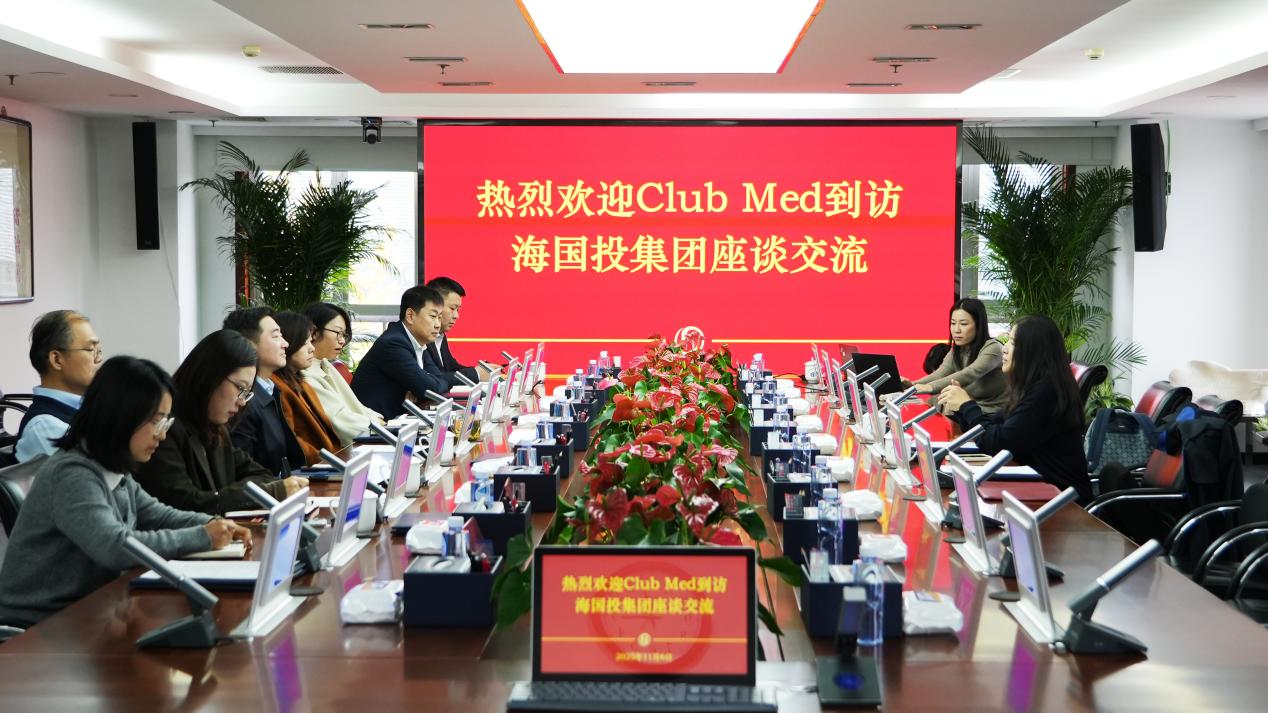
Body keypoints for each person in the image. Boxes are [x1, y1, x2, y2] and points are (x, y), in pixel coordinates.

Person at [0, 357, 252, 629]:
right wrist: (202, 536)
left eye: (166, 423)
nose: (162, 435)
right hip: (37, 630)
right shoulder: (72, 474)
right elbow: (114, 546)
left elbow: (158, 515)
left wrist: (213, 523)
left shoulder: (111, 467)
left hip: (89, 612)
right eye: (157, 422)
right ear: (122, 417)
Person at [135, 330, 308, 514]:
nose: (242, 402)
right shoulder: (163, 431)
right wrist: (262, 493)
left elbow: (262, 475)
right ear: (209, 376)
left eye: (247, 393)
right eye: (240, 388)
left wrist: (221, 497)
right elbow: (185, 504)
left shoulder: (215, 430)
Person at [937, 314, 1094, 503]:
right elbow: (994, 426)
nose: (1004, 349)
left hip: (1062, 502)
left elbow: (998, 443)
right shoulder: (1031, 387)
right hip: (1037, 491)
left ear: (1032, 351)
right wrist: (961, 408)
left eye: (1012, 342)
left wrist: (966, 405)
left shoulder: (1046, 392)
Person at [223, 307, 305, 476]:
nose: (285, 344)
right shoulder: (242, 401)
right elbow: (241, 473)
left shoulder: (269, 390)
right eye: (276, 336)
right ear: (247, 344)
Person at [14, 310, 102, 462]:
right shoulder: (45, 427)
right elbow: (94, 474)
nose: (99, 359)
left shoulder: (88, 409)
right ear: (56, 359)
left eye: (98, 350)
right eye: (90, 350)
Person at [351, 286, 450, 420]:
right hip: (376, 425)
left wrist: (424, 387)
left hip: (397, 420)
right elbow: (430, 389)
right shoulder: (393, 344)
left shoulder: (418, 342)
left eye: (439, 317)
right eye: (433, 316)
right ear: (410, 316)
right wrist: (424, 388)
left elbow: (439, 379)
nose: (438, 324)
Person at [904, 297, 1007, 413]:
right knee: (935, 403)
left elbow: (969, 374)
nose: (956, 330)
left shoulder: (993, 348)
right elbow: (940, 374)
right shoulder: (957, 350)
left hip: (993, 414)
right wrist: (913, 385)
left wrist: (929, 387)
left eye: (963, 324)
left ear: (978, 325)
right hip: (968, 411)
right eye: (953, 323)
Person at [302, 302, 383, 445]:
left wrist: (377, 420)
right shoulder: (305, 374)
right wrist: (376, 424)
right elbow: (339, 420)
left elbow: (356, 407)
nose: (342, 341)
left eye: (343, 334)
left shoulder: (324, 364)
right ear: (314, 332)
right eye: (337, 333)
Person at [271, 311, 341, 464]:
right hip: (313, 466)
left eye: (311, 342)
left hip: (328, 461)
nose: (312, 349)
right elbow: (292, 441)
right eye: (305, 343)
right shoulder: (278, 388)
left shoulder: (299, 381)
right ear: (289, 343)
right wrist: (328, 462)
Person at [422, 276, 481, 386]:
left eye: (458, 310)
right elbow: (435, 378)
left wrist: (481, 371)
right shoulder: (421, 337)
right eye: (452, 309)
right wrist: (476, 374)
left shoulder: (440, 335)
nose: (456, 316)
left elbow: (451, 367)